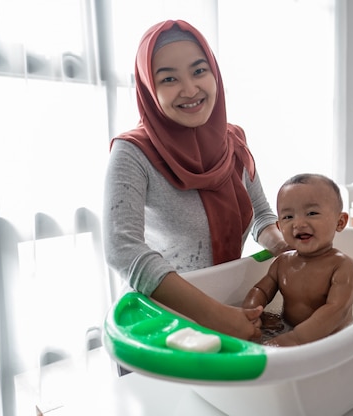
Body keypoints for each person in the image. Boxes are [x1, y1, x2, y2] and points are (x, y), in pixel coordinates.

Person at [103, 20, 289, 341]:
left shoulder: (234, 141)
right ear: (149, 87)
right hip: (159, 321)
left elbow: (261, 215)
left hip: (226, 305)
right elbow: (123, 250)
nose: (190, 89)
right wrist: (217, 317)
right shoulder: (132, 152)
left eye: (199, 71)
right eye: (169, 78)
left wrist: (286, 250)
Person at [242, 173, 353, 347]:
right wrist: (251, 311)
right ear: (280, 227)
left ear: (340, 222)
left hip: (333, 341)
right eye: (288, 217)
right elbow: (261, 290)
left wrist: (295, 339)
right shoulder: (282, 263)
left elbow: (335, 311)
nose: (299, 223)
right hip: (290, 330)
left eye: (311, 213)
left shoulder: (342, 266)